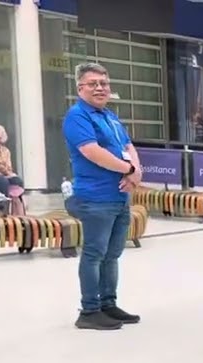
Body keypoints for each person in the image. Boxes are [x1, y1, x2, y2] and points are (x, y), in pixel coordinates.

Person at [62, 62, 142, 331]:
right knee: (95, 253)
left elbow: (127, 145)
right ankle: (89, 310)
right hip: (95, 197)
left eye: (104, 83)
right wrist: (128, 169)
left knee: (112, 254)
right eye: (93, 83)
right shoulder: (77, 116)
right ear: (80, 88)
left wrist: (136, 172)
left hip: (119, 197)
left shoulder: (109, 116)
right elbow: (91, 151)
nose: (100, 88)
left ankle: (108, 304)